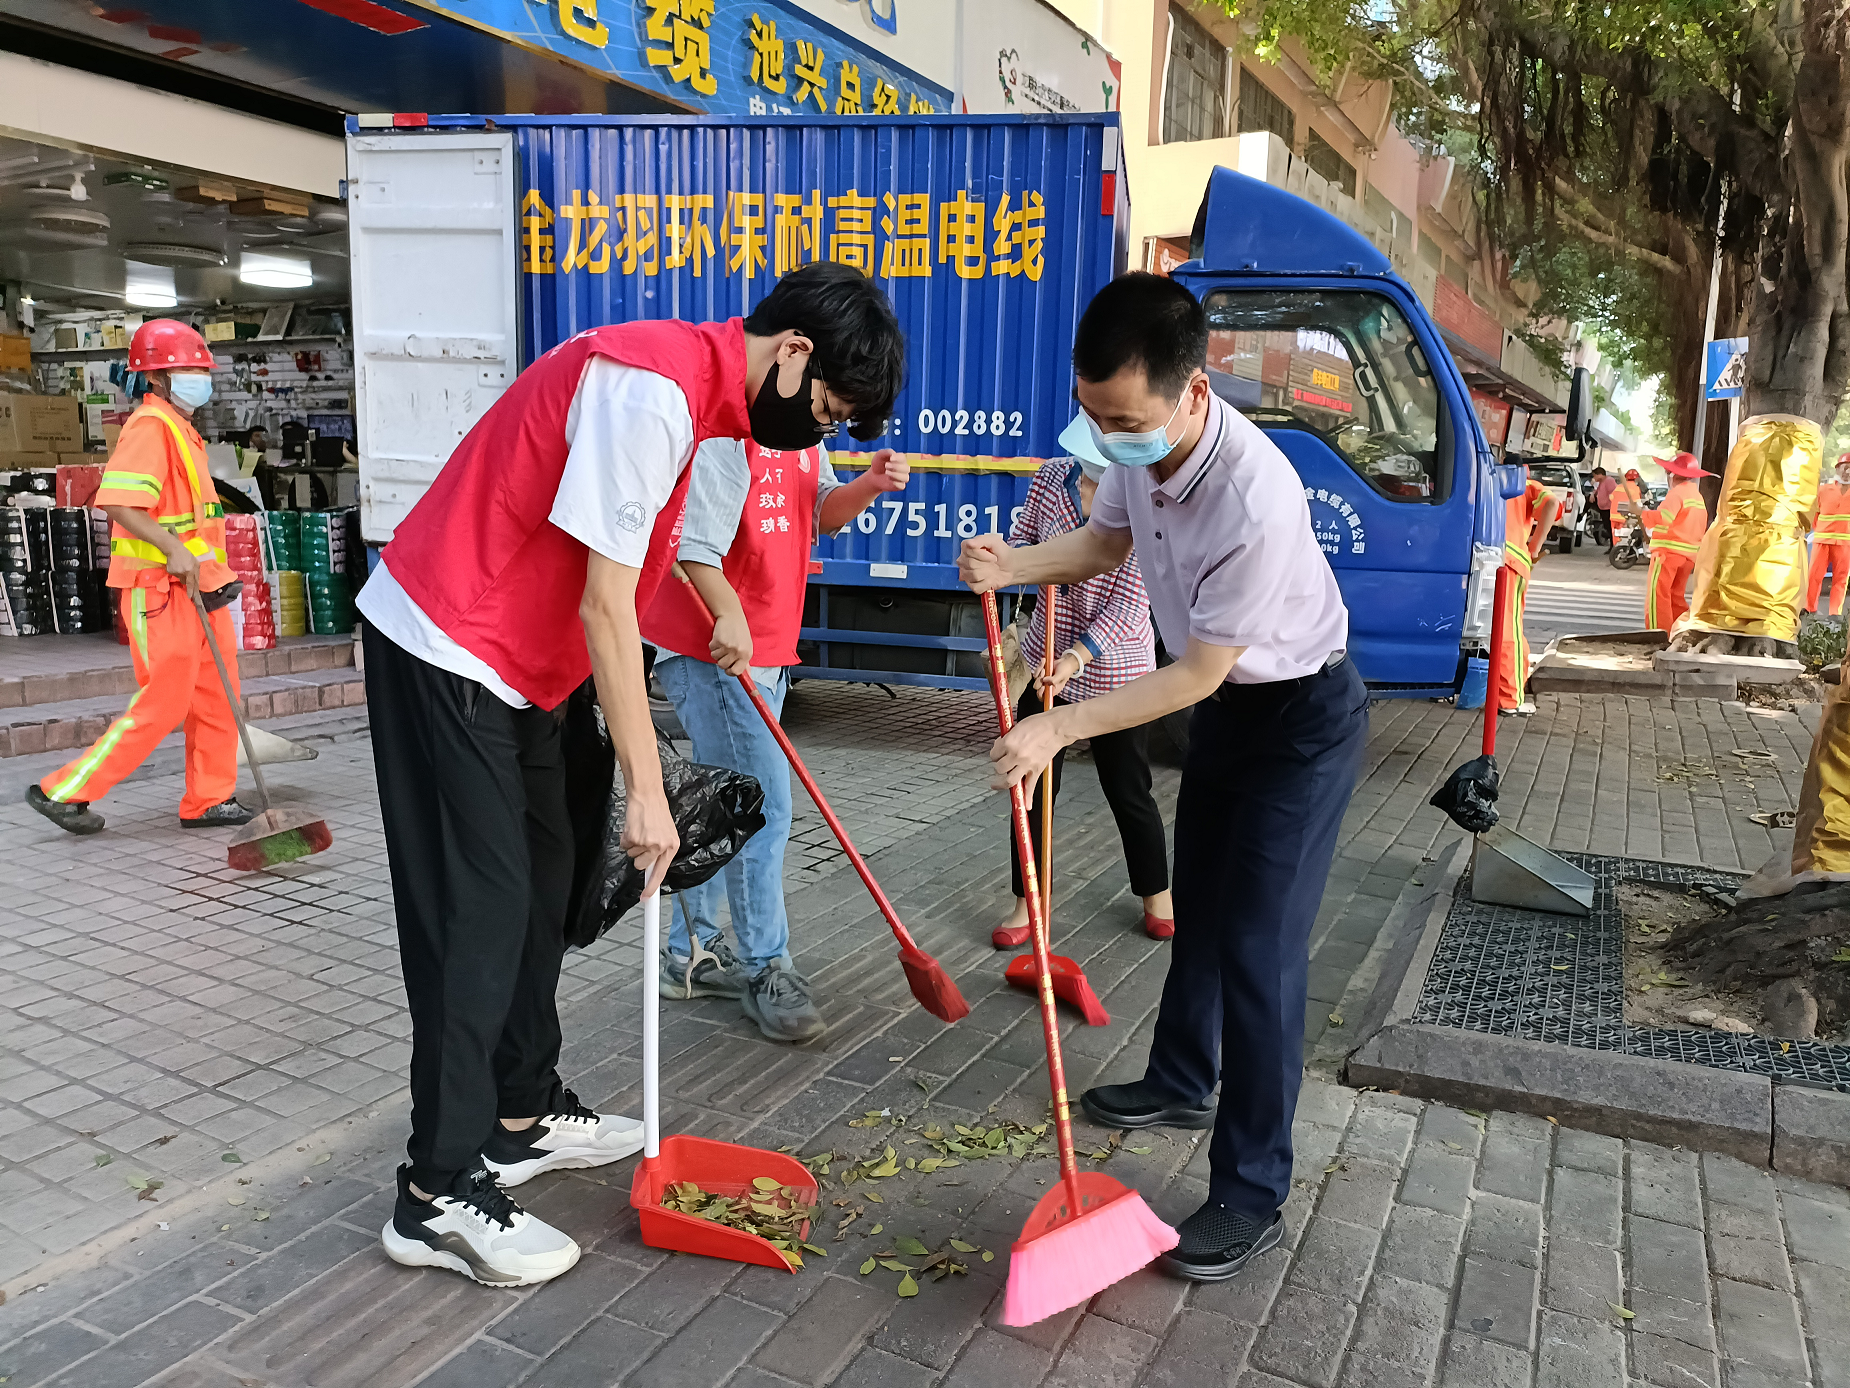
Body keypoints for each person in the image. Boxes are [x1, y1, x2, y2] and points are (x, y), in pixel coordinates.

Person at [355, 263, 904, 1287]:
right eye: (826, 409)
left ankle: (522, 1112)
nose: (815, 433)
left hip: (525, 663)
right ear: (794, 353)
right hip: (447, 639)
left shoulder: (703, 403)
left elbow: (629, 580)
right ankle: (434, 1192)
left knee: (549, 879)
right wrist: (647, 792)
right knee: (480, 910)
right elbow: (607, 603)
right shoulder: (651, 390)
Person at [959, 273, 1365, 1282]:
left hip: (1299, 720)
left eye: (1125, 421)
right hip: (1231, 712)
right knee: (1201, 904)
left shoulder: (1253, 497)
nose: (1106, 437)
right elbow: (1103, 541)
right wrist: (1011, 566)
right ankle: (1182, 1076)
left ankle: (1251, 1191)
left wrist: (1056, 725)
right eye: (1091, 414)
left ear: (1193, 393)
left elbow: (1191, 675)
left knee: (1260, 948)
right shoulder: (1129, 451)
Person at [643, 434, 910, 1041]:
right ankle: (765, 966)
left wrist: (869, 485)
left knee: (719, 806)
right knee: (760, 809)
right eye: (831, 403)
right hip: (713, 646)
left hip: (767, 642)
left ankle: (689, 955)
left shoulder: (806, 437)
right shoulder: (727, 431)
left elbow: (820, 512)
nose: (830, 417)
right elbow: (692, 546)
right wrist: (730, 617)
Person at [27, 320, 253, 836]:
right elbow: (118, 502)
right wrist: (172, 549)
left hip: (201, 587)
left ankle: (210, 799)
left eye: (201, 369)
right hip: (160, 591)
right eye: (187, 369)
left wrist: (194, 561)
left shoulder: (181, 428)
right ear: (155, 377)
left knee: (218, 696)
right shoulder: (151, 427)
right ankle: (63, 790)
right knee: (164, 702)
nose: (199, 378)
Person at [989, 453, 1173, 948]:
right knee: (1030, 790)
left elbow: (1131, 603)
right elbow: (1025, 539)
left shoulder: (1143, 494)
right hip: (1043, 664)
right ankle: (1028, 901)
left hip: (1116, 673)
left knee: (1127, 787)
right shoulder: (1053, 476)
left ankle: (1156, 893)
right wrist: (1004, 560)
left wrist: (1074, 658)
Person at [1498, 465, 1560, 714]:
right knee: (1508, 631)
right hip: (1509, 562)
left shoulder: (1481, 477)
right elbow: (1552, 503)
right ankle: (1509, 699)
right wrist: (1534, 547)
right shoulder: (1523, 485)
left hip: (1472, 558)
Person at [1644, 450, 1713, 631]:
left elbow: (1664, 517)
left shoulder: (1677, 494)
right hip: (1688, 557)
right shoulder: (1697, 496)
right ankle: (1680, 632)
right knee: (1676, 596)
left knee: (1659, 596)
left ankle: (1659, 635)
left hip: (1667, 554)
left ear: (1672, 474)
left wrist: (1642, 514)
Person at [1807, 453, 1850, 618]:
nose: (1847, 472)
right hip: (1822, 540)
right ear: (1838, 469)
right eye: (1845, 468)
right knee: (1814, 575)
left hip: (1845, 543)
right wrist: (1821, 531)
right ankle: (1809, 608)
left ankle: (1834, 613)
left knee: (1841, 578)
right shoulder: (1823, 490)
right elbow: (1815, 515)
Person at [1611, 467, 1646, 547]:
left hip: (1614, 515)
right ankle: (1622, 549)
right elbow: (1637, 502)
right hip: (1626, 517)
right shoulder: (1636, 489)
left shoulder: (1619, 486)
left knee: (1616, 535)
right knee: (1626, 535)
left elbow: (1611, 498)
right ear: (1637, 479)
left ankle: (1615, 548)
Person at [1591, 465, 1617, 547]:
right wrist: (1592, 494)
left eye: (1595, 476)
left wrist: (1607, 503)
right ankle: (1611, 545)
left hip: (1608, 508)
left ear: (1600, 474)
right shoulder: (1601, 482)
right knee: (1607, 526)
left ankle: (1613, 545)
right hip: (1603, 508)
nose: (1594, 478)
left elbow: (1612, 494)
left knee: (1609, 527)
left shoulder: (1609, 481)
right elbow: (1597, 490)